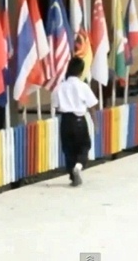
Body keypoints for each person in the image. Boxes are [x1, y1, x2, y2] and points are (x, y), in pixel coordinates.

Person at [51, 57, 98, 187]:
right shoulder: (83, 86)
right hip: (79, 120)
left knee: (68, 149)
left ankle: (72, 176)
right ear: (81, 71)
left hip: (66, 121)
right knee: (84, 146)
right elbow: (92, 106)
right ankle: (78, 166)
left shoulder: (59, 87)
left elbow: (54, 106)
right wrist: (95, 124)